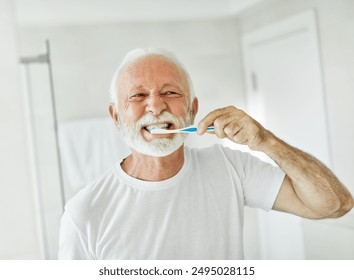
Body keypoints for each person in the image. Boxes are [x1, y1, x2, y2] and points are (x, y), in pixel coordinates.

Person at [58, 48, 353, 260]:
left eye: (170, 93)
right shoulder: (84, 212)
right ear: (115, 116)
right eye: (138, 96)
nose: (156, 106)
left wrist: (266, 141)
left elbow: (335, 204)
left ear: (193, 109)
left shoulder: (230, 167)